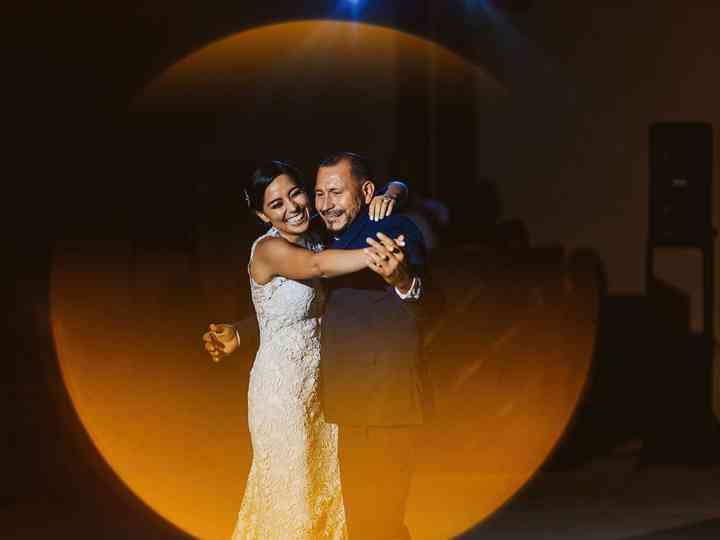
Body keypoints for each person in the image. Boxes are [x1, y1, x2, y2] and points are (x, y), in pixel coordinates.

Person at [207, 153, 432, 539]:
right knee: (306, 498)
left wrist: (394, 197)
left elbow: (431, 301)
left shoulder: (369, 228)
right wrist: (244, 332)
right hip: (301, 396)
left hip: (358, 397)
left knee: (363, 515)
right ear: (263, 216)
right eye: (319, 193)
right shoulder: (300, 245)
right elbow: (311, 279)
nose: (316, 204)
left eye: (301, 194)